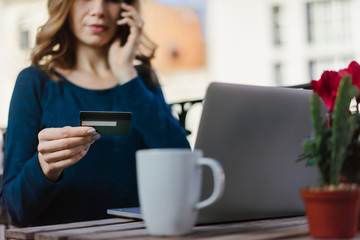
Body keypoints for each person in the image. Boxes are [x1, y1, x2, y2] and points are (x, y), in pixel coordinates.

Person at [0, 0, 190, 227]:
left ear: (126, 8)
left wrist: (126, 74)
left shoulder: (141, 81)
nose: (98, 10)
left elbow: (184, 165)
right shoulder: (35, 82)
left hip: (137, 234)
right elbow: (17, 210)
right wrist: (45, 166)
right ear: (65, 6)